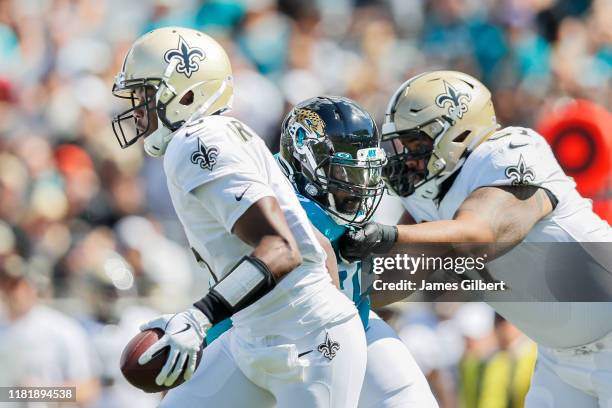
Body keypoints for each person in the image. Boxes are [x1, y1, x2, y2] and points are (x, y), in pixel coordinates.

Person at [110, 27, 366, 407]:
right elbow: (317, 245)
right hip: (254, 337)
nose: (139, 109)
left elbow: (281, 247)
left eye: (147, 94)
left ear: (186, 93)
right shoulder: (223, 134)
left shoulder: (196, 142)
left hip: (309, 345)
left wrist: (200, 317)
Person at [339, 70, 612, 407]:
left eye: (415, 144)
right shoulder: (426, 196)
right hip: (559, 360)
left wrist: (384, 235)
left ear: (459, 133)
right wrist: (331, 285)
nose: (406, 157)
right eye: (399, 145)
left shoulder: (509, 151)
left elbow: (479, 236)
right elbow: (394, 278)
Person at [207, 96, 439, 407]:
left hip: (352, 327)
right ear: (304, 164)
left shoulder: (301, 185)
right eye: (346, 174)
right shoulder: (279, 205)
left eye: (365, 172)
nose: (360, 188)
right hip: (264, 343)